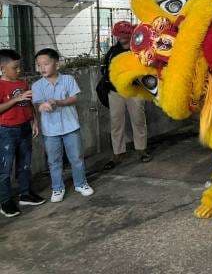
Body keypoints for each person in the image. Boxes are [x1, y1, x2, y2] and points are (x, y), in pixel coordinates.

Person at [32, 48, 94, 202]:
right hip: (50, 130)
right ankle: (57, 188)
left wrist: (58, 102)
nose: (42, 68)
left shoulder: (68, 79)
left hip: (70, 126)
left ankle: (81, 183)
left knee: (76, 157)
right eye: (39, 65)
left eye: (46, 64)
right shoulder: (37, 86)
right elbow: (37, 104)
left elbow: (74, 99)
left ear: (57, 65)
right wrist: (42, 106)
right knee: (54, 161)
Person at [0, 50, 45, 217]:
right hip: (6, 131)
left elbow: (28, 103)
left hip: (24, 127)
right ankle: (5, 201)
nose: (18, 70)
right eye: (15, 67)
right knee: (5, 168)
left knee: (25, 164)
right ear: (3, 68)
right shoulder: (1, 85)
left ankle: (25, 194)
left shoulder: (23, 83)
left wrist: (34, 121)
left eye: (19, 67)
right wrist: (15, 99)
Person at [103, 21, 151, 170]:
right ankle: (118, 153)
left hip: (135, 91)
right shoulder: (112, 52)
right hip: (115, 91)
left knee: (138, 120)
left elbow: (145, 67)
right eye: (119, 35)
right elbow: (105, 69)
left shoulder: (138, 50)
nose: (121, 38)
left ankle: (141, 150)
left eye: (124, 35)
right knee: (116, 122)